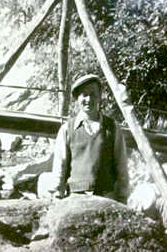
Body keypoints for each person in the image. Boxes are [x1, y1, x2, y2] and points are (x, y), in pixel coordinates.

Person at [51, 74, 129, 204]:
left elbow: (121, 163)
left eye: (93, 94)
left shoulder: (112, 127)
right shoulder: (67, 129)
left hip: (106, 196)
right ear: (77, 98)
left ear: (99, 97)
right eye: (84, 94)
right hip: (76, 197)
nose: (88, 99)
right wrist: (57, 195)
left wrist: (123, 195)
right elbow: (60, 165)